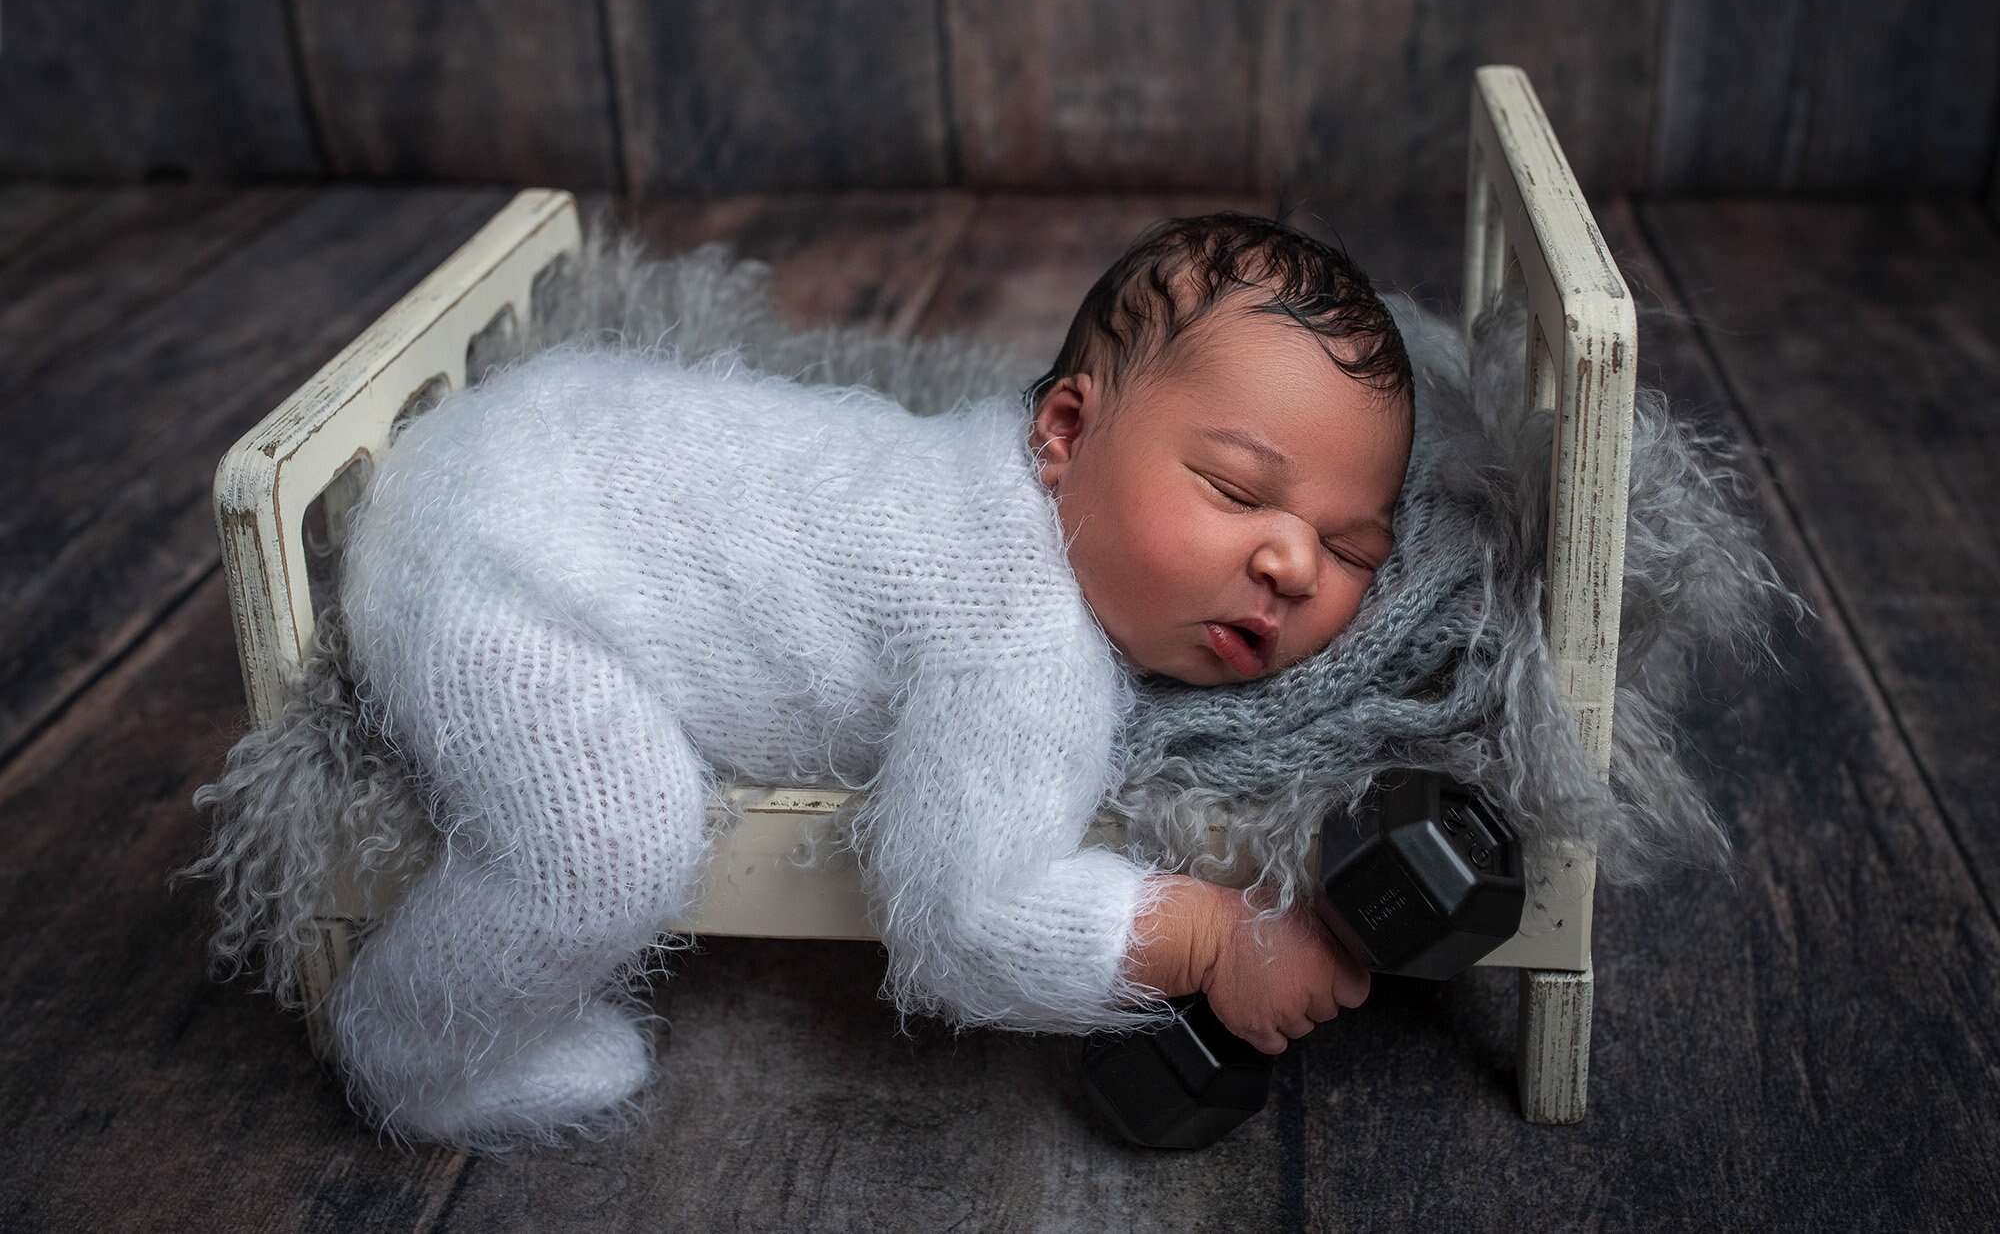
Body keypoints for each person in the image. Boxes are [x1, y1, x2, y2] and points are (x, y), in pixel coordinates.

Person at [325, 211, 1412, 1151]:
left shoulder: (988, 479)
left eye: (1351, 549)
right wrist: (1217, 939)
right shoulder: (1015, 637)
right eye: (1232, 490)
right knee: (610, 846)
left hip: (541, 438)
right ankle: (413, 1054)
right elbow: (968, 925)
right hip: (501, 568)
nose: (1294, 565)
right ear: (1063, 433)